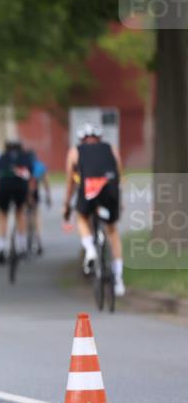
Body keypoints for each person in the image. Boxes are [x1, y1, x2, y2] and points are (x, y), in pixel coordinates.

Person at [62, 123, 125, 296]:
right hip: (110, 187)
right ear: (100, 138)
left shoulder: (75, 151)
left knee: (81, 217)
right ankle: (119, 279)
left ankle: (90, 249)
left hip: (89, 187)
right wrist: (120, 201)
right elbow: (119, 173)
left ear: (82, 139)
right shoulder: (110, 148)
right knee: (112, 231)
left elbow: (70, 182)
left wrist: (66, 205)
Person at [0, 140, 34, 264]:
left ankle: (0, 247)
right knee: (20, 212)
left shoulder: (1, 158)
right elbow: (30, 179)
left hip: (4, 186)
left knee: (2, 215)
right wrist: (29, 196)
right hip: (20, 187)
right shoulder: (26, 157)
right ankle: (22, 247)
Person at [28, 148, 51, 256]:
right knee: (36, 214)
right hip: (34, 190)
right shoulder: (39, 166)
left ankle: (24, 239)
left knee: (23, 213)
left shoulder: (23, 164)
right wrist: (48, 197)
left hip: (23, 191)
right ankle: (38, 239)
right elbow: (45, 182)